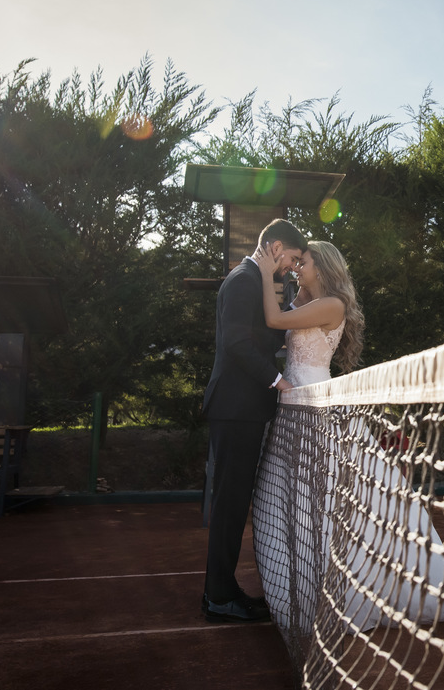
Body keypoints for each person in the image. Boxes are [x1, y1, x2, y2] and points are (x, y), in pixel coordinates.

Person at [249, 241, 444, 645]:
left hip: (315, 401)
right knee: (295, 493)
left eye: (304, 262)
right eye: (297, 262)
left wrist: (268, 271)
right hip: (293, 401)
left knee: (327, 492)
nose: (298, 267)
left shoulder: (333, 304)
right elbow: (283, 322)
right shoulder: (308, 297)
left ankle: (340, 587)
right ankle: (300, 584)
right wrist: (291, 286)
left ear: (323, 266)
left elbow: (273, 319)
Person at [200, 218, 307, 624]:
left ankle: (222, 592)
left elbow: (262, 335)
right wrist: (277, 380)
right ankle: (218, 597)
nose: (290, 267)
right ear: (277, 247)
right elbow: (237, 343)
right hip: (235, 409)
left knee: (233, 503)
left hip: (240, 410)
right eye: (292, 259)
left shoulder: (251, 277)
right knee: (229, 505)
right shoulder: (244, 279)